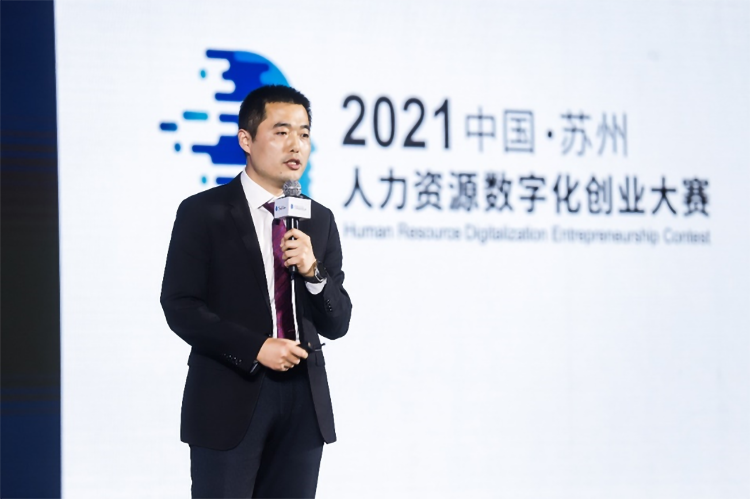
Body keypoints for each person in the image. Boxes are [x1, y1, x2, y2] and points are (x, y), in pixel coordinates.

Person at [160, 85, 352, 499]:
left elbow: (338, 322)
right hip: (230, 393)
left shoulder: (318, 219)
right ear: (246, 140)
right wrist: (256, 347)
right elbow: (180, 306)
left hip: (304, 400)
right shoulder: (203, 212)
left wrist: (314, 271)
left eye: (304, 133)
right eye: (281, 132)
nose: (296, 145)